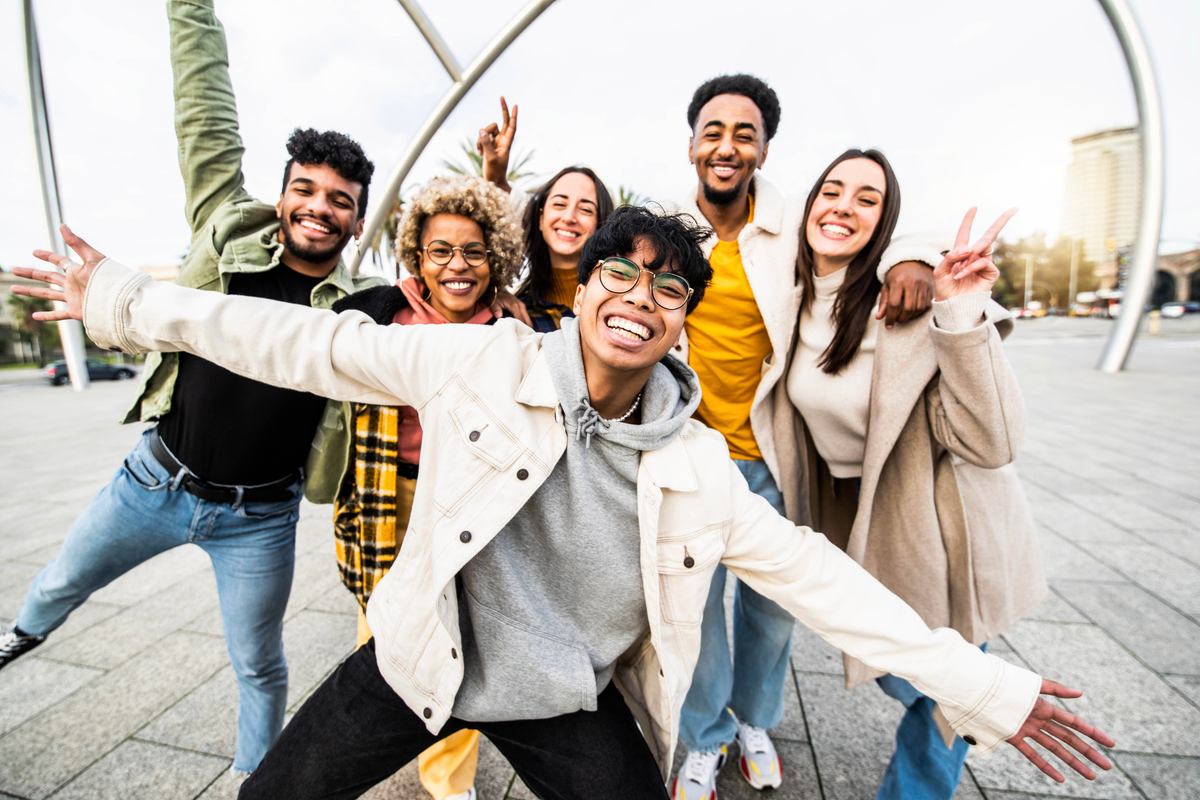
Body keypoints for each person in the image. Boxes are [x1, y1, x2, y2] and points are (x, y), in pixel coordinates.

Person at [18, 210, 1114, 800]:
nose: (640, 297)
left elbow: (822, 580)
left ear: (681, 320)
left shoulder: (695, 467)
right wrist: (126, 300)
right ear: (581, 289)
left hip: (561, 694)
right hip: (420, 659)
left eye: (667, 287)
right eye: (618, 275)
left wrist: (988, 687)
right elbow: (311, 343)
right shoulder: (477, 363)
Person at [0, 0, 383, 775]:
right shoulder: (226, 228)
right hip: (154, 482)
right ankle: (18, 637)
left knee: (259, 663)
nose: (320, 208)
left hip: (260, 518)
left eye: (340, 200)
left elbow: (456, 290)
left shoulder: (361, 305)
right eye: (306, 190)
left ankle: (255, 785)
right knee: (60, 580)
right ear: (282, 197)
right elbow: (204, 111)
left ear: (356, 218)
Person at [666, 74, 947, 798]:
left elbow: (866, 225)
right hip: (687, 456)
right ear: (692, 141)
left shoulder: (791, 220)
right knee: (695, 613)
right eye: (714, 130)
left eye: (745, 133)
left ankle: (755, 720)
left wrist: (911, 257)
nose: (727, 145)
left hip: (770, 455)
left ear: (764, 149)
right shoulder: (666, 226)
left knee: (771, 610)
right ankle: (705, 736)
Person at [769, 149, 1043, 800]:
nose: (843, 206)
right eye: (831, 191)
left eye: (868, 199)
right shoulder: (794, 294)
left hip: (936, 523)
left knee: (942, 689)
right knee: (910, 672)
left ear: (884, 221)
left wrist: (958, 312)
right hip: (856, 519)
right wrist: (914, 251)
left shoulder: (905, 304)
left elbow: (992, 442)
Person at [328, 175, 523, 800]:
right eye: (441, 250)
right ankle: (345, 761)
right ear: (417, 256)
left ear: (494, 258)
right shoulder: (382, 313)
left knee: (457, 640)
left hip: (471, 506)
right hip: (391, 501)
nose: (457, 265)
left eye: (473, 251)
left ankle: (450, 781)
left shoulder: (516, 328)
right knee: (381, 641)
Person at [476, 97, 616, 332]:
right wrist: (496, 181)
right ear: (540, 219)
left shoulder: (617, 307)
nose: (569, 217)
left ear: (602, 225)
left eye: (585, 209)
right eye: (560, 204)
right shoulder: (517, 313)